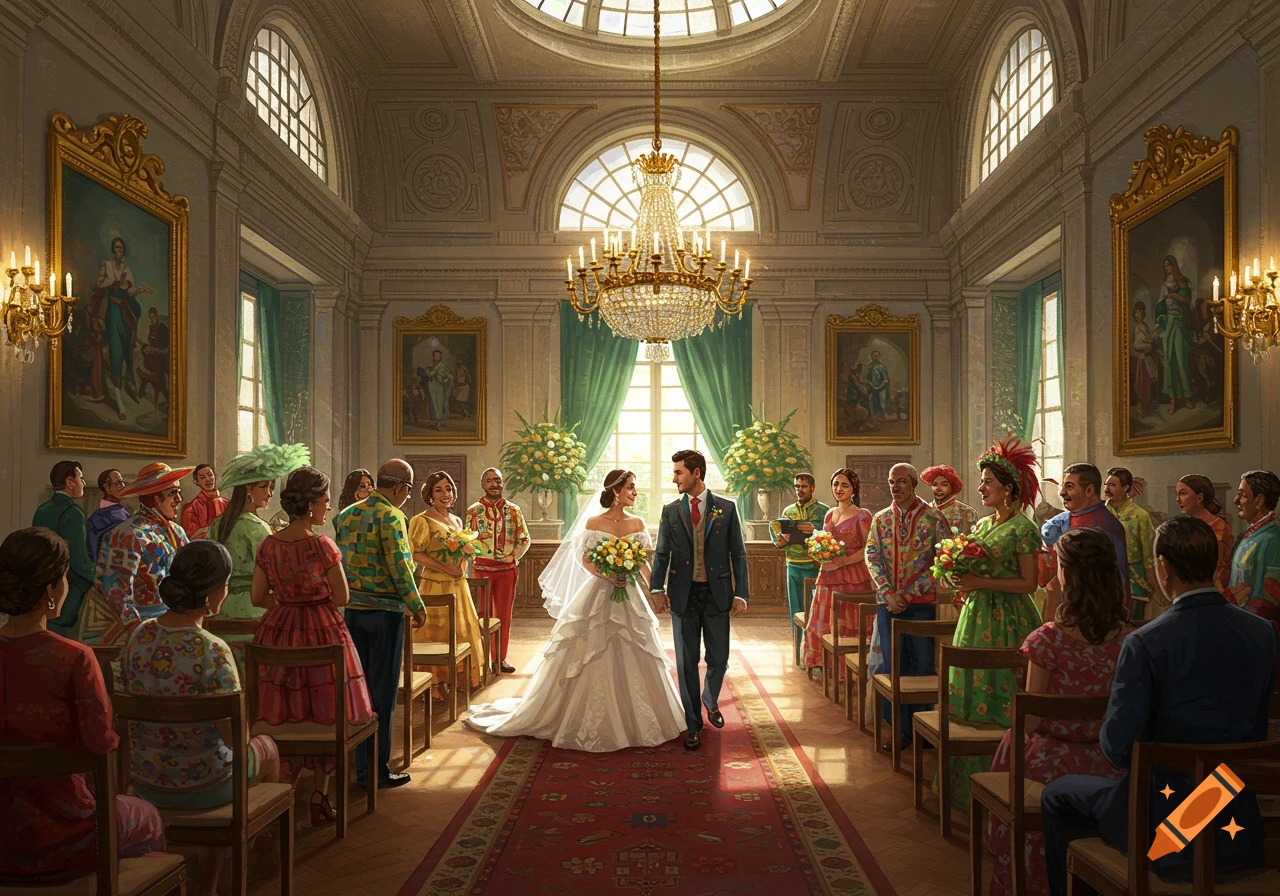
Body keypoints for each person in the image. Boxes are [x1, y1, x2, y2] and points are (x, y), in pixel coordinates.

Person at [1041, 517, 1278, 896]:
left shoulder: (1147, 640)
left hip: (1168, 826)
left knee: (1057, 794)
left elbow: (1117, 749)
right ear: (1217, 563)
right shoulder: (1262, 633)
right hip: (1234, 812)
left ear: (1163, 568)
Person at [466, 469, 686, 750]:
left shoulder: (638, 522)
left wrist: (656, 591)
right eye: (630, 487)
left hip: (630, 595)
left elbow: (643, 562)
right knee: (591, 648)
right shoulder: (595, 522)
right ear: (616, 491)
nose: (634, 492)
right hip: (599, 592)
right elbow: (585, 559)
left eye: (635, 487)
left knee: (637, 646)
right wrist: (608, 576)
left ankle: (638, 718)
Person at [0, 527, 166, 886]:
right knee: (146, 815)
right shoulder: (73, 657)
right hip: (67, 836)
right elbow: (99, 744)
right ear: (50, 591)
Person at [120, 540, 279, 896]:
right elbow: (236, 741)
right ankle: (231, 864)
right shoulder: (212, 649)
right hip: (206, 787)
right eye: (224, 583)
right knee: (265, 748)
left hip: (146, 781)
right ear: (211, 594)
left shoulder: (137, 637)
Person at [986, 527, 1132, 896]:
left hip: (1051, 764)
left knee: (1011, 739)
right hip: (1110, 763)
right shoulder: (1131, 639)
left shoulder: (1047, 639)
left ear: (1069, 574)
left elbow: (1031, 719)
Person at [251, 466, 374, 827]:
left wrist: (287, 605)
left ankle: (284, 789)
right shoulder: (321, 545)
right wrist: (310, 604)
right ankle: (320, 792)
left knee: (287, 704)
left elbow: (258, 597)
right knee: (324, 705)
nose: (326, 507)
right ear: (310, 505)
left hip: (279, 628)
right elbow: (342, 596)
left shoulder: (269, 544)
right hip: (322, 628)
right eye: (323, 500)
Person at [945, 436, 1043, 807]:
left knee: (1003, 696)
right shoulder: (983, 525)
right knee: (971, 691)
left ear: (1009, 489)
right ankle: (966, 788)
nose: (982, 487)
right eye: (982, 481)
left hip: (1010, 619)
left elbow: (1029, 583)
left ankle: (1005, 785)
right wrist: (958, 576)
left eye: (988, 482)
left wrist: (978, 581)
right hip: (976, 614)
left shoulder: (1022, 528)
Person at [334, 458, 427, 789]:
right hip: (385, 615)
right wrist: (417, 606)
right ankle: (376, 769)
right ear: (401, 487)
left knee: (357, 691)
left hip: (353, 613)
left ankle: (358, 763)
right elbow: (400, 567)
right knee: (383, 692)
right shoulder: (392, 516)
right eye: (409, 490)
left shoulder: (346, 515)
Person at [650, 449, 750, 751]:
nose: (674, 478)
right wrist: (657, 589)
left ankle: (709, 699)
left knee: (718, 659)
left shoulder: (726, 508)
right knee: (686, 662)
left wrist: (740, 592)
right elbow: (662, 553)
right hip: (683, 596)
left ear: (696, 473)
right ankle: (693, 724)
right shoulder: (670, 510)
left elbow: (739, 554)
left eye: (679, 472)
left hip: (717, 594)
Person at [865, 463, 951, 750]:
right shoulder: (881, 519)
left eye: (901, 481)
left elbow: (944, 560)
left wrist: (910, 592)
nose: (895, 486)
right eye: (892, 481)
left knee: (923, 665)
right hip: (887, 604)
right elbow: (872, 555)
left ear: (913, 484)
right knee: (894, 667)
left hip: (921, 605)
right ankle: (900, 731)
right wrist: (888, 592)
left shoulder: (933, 518)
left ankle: (924, 730)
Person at [85, 461, 194, 645]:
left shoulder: (178, 531)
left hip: (175, 625)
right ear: (154, 498)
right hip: (138, 633)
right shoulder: (127, 534)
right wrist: (142, 637)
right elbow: (117, 595)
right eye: (172, 493)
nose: (179, 499)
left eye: (178, 492)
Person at [209, 444, 310, 633]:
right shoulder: (257, 528)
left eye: (271, 487)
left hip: (222, 608)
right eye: (264, 486)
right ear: (248, 489)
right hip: (255, 609)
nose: (270, 493)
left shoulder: (218, 524)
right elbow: (276, 573)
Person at [411, 470, 484, 691]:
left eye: (449, 489)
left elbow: (461, 550)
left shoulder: (457, 520)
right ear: (430, 495)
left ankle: (458, 680)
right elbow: (415, 553)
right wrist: (445, 568)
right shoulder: (421, 520)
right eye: (439, 490)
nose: (445, 494)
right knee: (436, 634)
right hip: (434, 586)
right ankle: (434, 683)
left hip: (459, 586)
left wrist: (462, 562)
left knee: (461, 631)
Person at [802, 469, 871, 675]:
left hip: (853, 576)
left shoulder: (862, 515)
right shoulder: (830, 513)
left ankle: (848, 669)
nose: (838, 489)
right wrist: (822, 556)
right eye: (835, 484)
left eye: (844, 485)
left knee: (849, 621)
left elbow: (869, 548)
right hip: (829, 574)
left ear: (853, 489)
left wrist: (844, 561)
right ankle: (826, 665)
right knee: (823, 619)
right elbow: (824, 542)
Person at [1041, 463, 1130, 618]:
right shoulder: (1062, 521)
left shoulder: (1107, 527)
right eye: (1063, 487)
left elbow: (1118, 580)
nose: (1062, 493)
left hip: (1096, 613)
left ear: (1089, 490)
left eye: (1069, 487)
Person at [465, 467, 531, 673]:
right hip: (482, 570)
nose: (494, 484)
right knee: (482, 614)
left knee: (503, 615)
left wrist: (513, 556)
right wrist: (474, 555)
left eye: (498, 480)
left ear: (503, 484)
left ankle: (500, 659)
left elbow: (525, 539)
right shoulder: (473, 511)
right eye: (490, 481)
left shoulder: (514, 510)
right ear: (483, 484)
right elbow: (466, 539)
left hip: (507, 570)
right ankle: (483, 659)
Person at [32, 460, 97, 637]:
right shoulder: (73, 513)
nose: (83, 483)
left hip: (42, 585)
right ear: (70, 482)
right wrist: (99, 577)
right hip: (68, 588)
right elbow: (78, 561)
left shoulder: (42, 510)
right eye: (81, 478)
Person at [92, 236, 153, 420]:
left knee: (127, 346)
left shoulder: (127, 269)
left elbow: (131, 291)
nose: (118, 250)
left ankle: (128, 383)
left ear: (123, 251)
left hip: (124, 310)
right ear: (113, 249)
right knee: (116, 349)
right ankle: (118, 399)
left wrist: (140, 289)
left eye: (121, 248)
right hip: (111, 309)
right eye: (116, 248)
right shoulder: (108, 266)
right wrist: (112, 283)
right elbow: (99, 284)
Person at [770, 472, 830, 643]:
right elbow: (779, 538)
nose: (800, 490)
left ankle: (815, 648)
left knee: (816, 609)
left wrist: (814, 529)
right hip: (793, 566)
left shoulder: (823, 510)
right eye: (797, 486)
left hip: (814, 566)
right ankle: (798, 647)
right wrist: (781, 540)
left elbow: (828, 536)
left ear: (812, 488)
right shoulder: (788, 511)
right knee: (796, 609)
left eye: (803, 486)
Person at [1104, 467, 1160, 620]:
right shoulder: (1100, 513)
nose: (1107, 489)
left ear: (1126, 487)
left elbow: (1149, 556)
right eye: (1106, 485)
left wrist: (1153, 584)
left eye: (1112, 485)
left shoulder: (1140, 516)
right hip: (1104, 580)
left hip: (1133, 582)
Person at [1229, 469, 1280, 631]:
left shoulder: (1273, 538)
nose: (1236, 500)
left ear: (1259, 501)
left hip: (1254, 630)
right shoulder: (1248, 534)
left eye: (1242, 495)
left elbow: (1269, 597)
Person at [1174, 474, 1233, 593]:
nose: (1177, 499)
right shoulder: (1183, 525)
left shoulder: (1218, 527)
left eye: (1183, 493)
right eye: (1177, 494)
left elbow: (1216, 569)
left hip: (1212, 590)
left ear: (1199, 498)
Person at [1153, 254, 1196, 415]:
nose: (1168, 269)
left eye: (1169, 266)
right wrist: (1159, 322)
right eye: (1165, 267)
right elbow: (1160, 306)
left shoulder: (1183, 282)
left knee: (1180, 360)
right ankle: (1173, 398)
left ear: (1175, 266)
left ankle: (1187, 395)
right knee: (1169, 361)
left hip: (1179, 324)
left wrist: (1172, 295)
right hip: (1168, 324)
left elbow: (1187, 301)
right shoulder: (1165, 285)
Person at [87, 467, 130, 565]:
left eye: (123, 482)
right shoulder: (98, 518)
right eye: (118, 483)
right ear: (106, 487)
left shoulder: (121, 511)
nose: (123, 486)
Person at [922, 463, 979, 536]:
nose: (938, 489)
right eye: (934, 485)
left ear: (952, 487)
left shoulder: (967, 512)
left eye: (944, 485)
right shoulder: (924, 511)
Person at [137, 306, 169, 416]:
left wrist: (154, 350)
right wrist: (146, 347)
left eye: (154, 316)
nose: (152, 319)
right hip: (153, 356)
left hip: (162, 357)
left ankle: (164, 397)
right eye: (150, 317)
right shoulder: (151, 328)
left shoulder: (163, 329)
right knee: (144, 367)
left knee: (157, 376)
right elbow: (150, 341)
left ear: (157, 315)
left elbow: (166, 348)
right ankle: (141, 395)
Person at [181, 463, 228, 536]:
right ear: (196, 482)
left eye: (210, 475)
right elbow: (192, 539)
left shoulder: (227, 504)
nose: (208, 479)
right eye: (202, 477)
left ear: (214, 476)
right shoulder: (190, 509)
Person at [1130, 301, 1159, 417]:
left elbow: (1147, 340)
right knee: (1141, 383)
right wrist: (1148, 345)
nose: (1139, 315)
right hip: (1142, 358)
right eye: (1137, 312)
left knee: (1148, 382)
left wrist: (1150, 341)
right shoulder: (1137, 328)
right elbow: (1135, 345)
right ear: (1134, 314)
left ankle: (1146, 405)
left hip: (1147, 358)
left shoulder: (1144, 326)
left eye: (1141, 312)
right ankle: (1141, 406)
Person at [423, 349, 452, 428]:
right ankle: (432, 420)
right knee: (432, 402)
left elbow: (449, 377)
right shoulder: (430, 366)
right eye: (436, 355)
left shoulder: (442, 366)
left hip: (439, 386)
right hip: (431, 386)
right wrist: (429, 373)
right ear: (433, 357)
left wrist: (440, 375)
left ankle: (438, 422)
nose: (437, 357)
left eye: (439, 355)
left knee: (439, 403)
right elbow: (428, 373)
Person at [865, 350, 890, 422]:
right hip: (872, 388)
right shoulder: (869, 367)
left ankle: (883, 415)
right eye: (874, 356)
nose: (875, 357)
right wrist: (872, 385)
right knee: (872, 401)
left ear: (879, 357)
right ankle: (873, 417)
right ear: (872, 357)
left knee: (882, 401)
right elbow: (866, 379)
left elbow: (885, 379)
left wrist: (879, 387)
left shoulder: (881, 367)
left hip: (881, 388)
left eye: (877, 356)